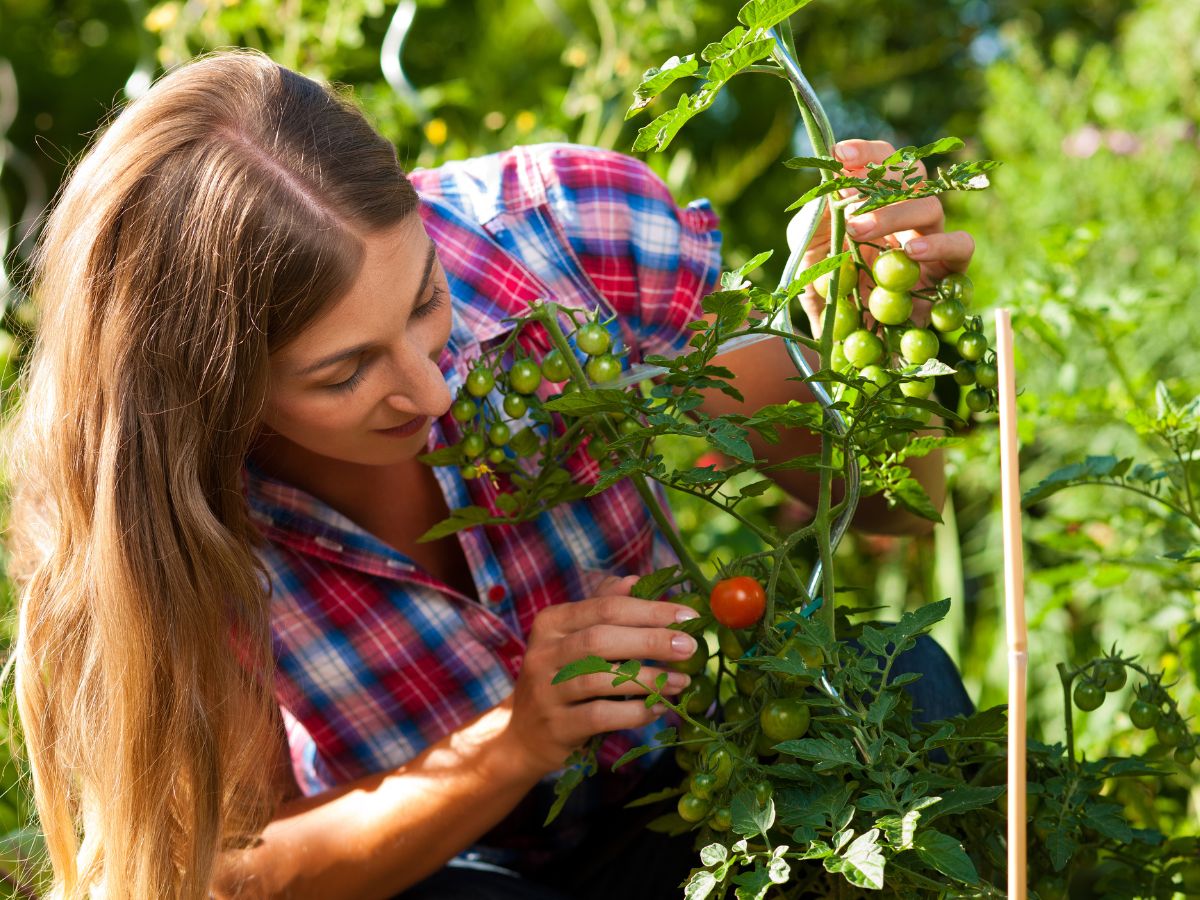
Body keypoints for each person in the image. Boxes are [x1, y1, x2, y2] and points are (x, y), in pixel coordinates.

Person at [2, 49, 976, 900]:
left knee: (904, 687)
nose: (430, 390)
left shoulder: (556, 235)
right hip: (430, 873)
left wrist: (885, 325)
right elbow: (232, 877)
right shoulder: (151, 507)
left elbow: (890, 510)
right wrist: (514, 741)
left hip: (682, 797)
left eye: (426, 301)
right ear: (214, 386)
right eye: (345, 372)